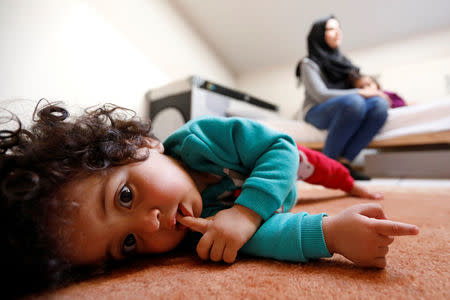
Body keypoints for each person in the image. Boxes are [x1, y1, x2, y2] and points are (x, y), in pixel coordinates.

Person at [1, 100, 419, 298]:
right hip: (272, 193)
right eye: (128, 244)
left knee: (326, 169)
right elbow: (263, 236)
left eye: (125, 196)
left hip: (282, 158)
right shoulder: (192, 232)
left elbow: (280, 149)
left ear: (143, 144)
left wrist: (244, 211)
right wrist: (331, 233)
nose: (149, 227)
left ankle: (354, 183)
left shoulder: (206, 137)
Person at [295, 15, 390, 180]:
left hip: (348, 106)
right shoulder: (308, 63)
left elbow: (361, 88)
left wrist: (375, 91)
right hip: (316, 110)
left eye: (339, 28)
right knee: (355, 101)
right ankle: (326, 165)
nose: (338, 32)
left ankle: (344, 163)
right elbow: (321, 95)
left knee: (379, 105)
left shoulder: (345, 63)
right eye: (331, 29)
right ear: (318, 35)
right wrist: (359, 93)